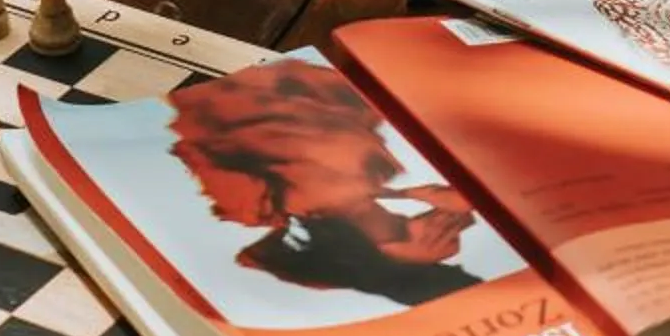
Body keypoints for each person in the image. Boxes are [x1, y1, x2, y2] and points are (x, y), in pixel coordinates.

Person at [166, 60, 487, 307]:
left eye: (398, 229)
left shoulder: (258, 200)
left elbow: (203, 114)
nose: (439, 226)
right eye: (398, 221)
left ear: (355, 251)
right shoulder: (374, 176)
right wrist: (460, 198)